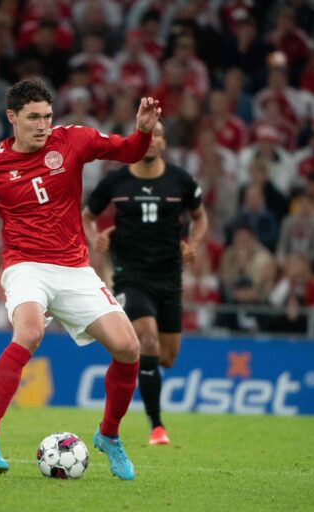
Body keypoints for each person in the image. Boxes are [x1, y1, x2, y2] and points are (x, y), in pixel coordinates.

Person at [0, 78, 161, 480]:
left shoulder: (73, 140)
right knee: (27, 333)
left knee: (129, 347)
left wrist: (143, 130)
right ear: (12, 118)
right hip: (25, 266)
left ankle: (109, 435)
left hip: (75, 269)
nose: (43, 125)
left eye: (47, 116)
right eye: (33, 118)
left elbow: (129, 150)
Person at [82, 122, 207, 446]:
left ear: (164, 142)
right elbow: (87, 216)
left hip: (168, 279)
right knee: (147, 338)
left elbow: (200, 216)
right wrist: (97, 239)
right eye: (147, 135)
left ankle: (126, 359)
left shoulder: (180, 180)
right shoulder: (116, 180)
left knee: (166, 357)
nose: (152, 141)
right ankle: (156, 426)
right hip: (130, 276)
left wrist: (192, 243)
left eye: (159, 135)